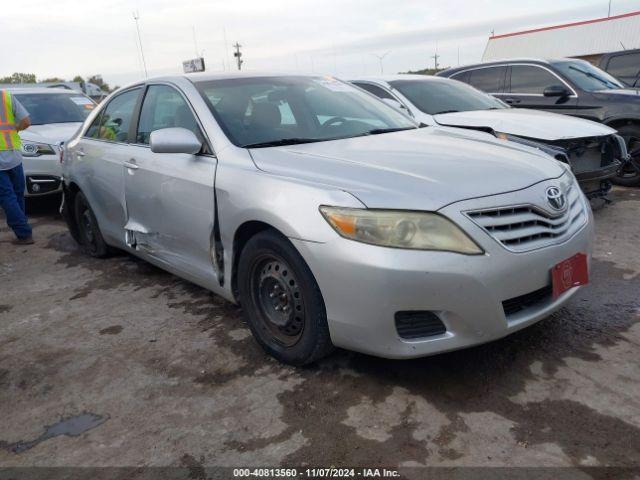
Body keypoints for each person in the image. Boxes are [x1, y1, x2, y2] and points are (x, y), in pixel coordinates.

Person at [0, 89, 33, 245]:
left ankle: (24, 233)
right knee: (17, 193)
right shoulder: (6, 96)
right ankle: (22, 226)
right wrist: (15, 129)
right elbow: (26, 122)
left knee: (7, 196)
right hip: (14, 155)